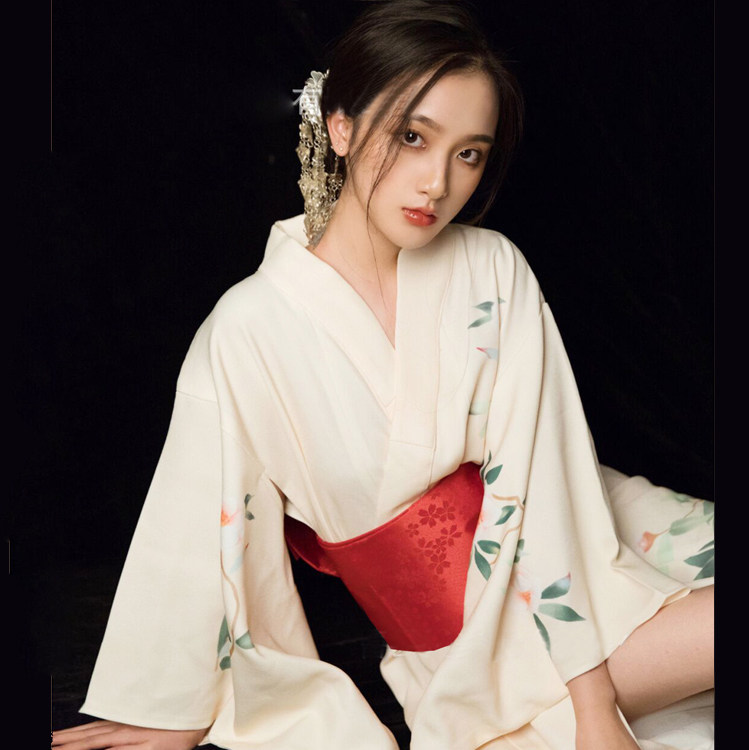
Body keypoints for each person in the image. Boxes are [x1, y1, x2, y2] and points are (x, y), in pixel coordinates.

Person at [51, 1, 714, 749]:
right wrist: (168, 709)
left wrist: (596, 714)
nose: (437, 182)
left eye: (469, 154)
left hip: (589, 569)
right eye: (412, 137)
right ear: (340, 127)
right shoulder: (247, 330)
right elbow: (195, 518)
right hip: (466, 655)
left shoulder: (493, 268)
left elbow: (546, 478)